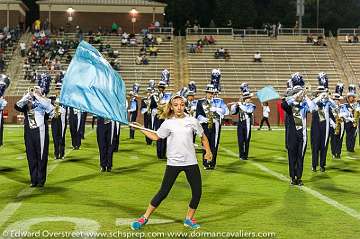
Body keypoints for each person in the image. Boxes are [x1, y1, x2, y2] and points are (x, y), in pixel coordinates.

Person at [130, 95, 212, 230]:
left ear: (184, 105)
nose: (179, 107)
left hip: (190, 162)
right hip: (174, 162)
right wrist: (140, 128)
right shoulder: (168, 123)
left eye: (181, 104)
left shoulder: (192, 120)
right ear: (172, 107)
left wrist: (208, 151)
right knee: (163, 192)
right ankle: (144, 218)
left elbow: (203, 137)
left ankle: (188, 219)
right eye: (176, 105)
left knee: (197, 192)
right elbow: (156, 136)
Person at [281, 73, 317, 186]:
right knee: (292, 156)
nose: (300, 95)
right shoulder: (289, 105)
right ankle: (292, 177)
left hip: (302, 134)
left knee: (300, 156)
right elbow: (283, 104)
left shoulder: (305, 105)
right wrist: (295, 96)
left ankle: (299, 177)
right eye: (298, 93)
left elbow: (314, 108)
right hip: (292, 134)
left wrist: (305, 96)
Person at [15, 86, 54, 187]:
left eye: (37, 90)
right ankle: (33, 180)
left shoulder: (45, 101)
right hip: (29, 132)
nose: (34, 91)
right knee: (31, 156)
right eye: (33, 90)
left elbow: (49, 109)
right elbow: (17, 106)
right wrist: (27, 95)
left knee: (41, 155)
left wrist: (37, 95)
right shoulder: (27, 101)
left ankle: (41, 180)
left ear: (41, 92)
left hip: (40, 131)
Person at [310, 73, 336, 172]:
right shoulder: (314, 101)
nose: (321, 93)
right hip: (316, 126)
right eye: (319, 92)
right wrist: (319, 97)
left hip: (325, 126)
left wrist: (328, 97)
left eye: (322, 92)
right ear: (317, 93)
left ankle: (322, 165)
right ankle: (314, 165)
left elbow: (335, 106)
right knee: (315, 146)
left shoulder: (327, 102)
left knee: (324, 145)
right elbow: (311, 107)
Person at [195, 84, 222, 169]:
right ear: (206, 93)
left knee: (214, 144)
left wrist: (216, 109)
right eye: (209, 93)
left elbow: (225, 111)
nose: (211, 94)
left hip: (215, 125)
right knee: (205, 143)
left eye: (212, 93)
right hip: (205, 125)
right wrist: (203, 119)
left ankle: (212, 163)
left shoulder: (218, 101)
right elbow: (198, 114)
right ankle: (206, 163)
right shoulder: (200, 102)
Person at [230, 83, 256, 160]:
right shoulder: (241, 104)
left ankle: (246, 155)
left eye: (249, 98)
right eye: (248, 98)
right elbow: (233, 112)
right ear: (245, 99)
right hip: (240, 124)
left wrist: (240, 104)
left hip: (247, 124)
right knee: (240, 140)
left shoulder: (252, 105)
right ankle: (241, 155)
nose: (249, 99)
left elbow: (248, 110)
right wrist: (234, 105)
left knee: (247, 140)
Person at [50, 83, 68, 159]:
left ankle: (62, 153)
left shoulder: (65, 100)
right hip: (54, 120)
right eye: (57, 89)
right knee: (55, 137)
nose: (58, 91)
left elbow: (67, 110)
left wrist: (60, 109)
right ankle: (56, 154)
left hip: (62, 120)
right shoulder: (51, 100)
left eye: (59, 89)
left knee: (62, 137)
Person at [329, 83, 345, 159]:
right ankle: (333, 152)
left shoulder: (343, 106)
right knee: (333, 139)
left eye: (338, 100)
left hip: (341, 125)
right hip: (333, 125)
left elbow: (347, 115)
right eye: (335, 100)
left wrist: (343, 115)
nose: (336, 101)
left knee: (340, 139)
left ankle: (338, 153)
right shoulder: (330, 107)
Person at [342, 85, 358, 152]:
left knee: (354, 135)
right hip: (348, 122)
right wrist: (349, 118)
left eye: (352, 97)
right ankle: (348, 147)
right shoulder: (345, 105)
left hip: (355, 122)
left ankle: (352, 148)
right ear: (348, 98)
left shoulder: (356, 105)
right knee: (348, 135)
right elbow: (344, 114)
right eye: (350, 97)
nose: (351, 98)